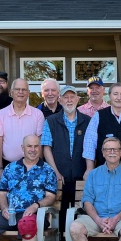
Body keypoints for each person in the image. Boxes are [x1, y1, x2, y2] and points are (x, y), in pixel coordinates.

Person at [42, 85, 91, 232]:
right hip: (60, 175)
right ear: (60, 100)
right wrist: (55, 171)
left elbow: (91, 147)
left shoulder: (87, 121)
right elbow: (46, 148)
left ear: (77, 99)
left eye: (72, 97)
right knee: (62, 211)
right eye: (65, 97)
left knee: (83, 210)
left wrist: (89, 169)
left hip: (81, 174)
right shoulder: (51, 121)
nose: (69, 100)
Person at [0, 78, 44, 180]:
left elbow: (40, 143)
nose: (21, 92)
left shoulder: (38, 114)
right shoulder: (0, 115)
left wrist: (38, 167)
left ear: (28, 93)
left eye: (24, 90)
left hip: (32, 166)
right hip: (7, 166)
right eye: (17, 89)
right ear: (11, 92)